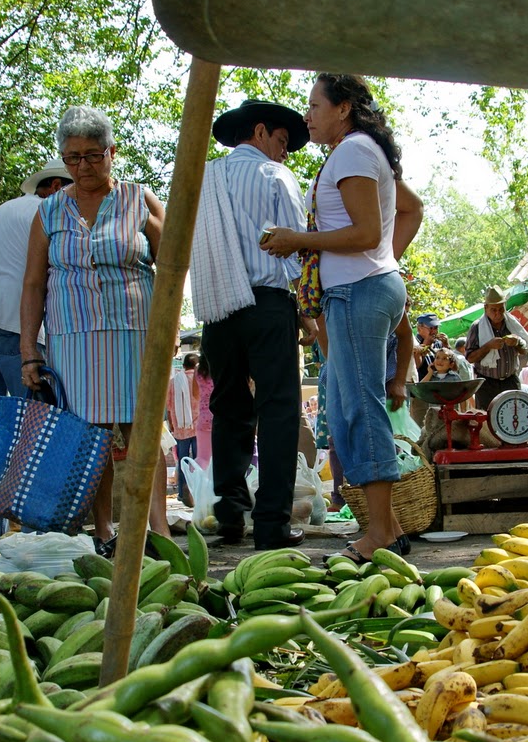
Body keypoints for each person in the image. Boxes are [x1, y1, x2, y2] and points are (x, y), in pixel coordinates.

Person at [260, 73, 423, 562]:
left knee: (360, 408)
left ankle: (377, 531)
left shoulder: (352, 151)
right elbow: (410, 211)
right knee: (349, 404)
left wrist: (298, 239)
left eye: (313, 105)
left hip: (358, 293)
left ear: (344, 107)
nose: (306, 115)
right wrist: (383, 266)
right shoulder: (364, 151)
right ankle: (387, 526)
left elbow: (367, 232)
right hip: (366, 288)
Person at [20, 106, 171, 552]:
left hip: (134, 333)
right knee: (92, 439)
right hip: (72, 339)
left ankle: (156, 530)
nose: (82, 167)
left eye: (91, 155)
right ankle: (103, 530)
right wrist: (31, 350)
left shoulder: (138, 199)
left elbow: (174, 266)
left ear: (111, 152)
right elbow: (33, 285)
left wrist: (169, 334)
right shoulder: (48, 211)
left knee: (143, 432)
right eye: (71, 158)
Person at [189, 98, 313, 549]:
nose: (285, 152)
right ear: (260, 132)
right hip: (265, 304)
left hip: (218, 309)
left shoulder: (203, 177)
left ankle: (229, 514)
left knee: (228, 409)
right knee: (278, 410)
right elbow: (296, 245)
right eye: (282, 141)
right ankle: (272, 524)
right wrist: (305, 309)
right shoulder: (275, 176)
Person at [0, 160, 70, 543]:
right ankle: (39, 532)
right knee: (33, 431)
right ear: (56, 185)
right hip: (18, 328)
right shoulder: (52, 210)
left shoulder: (3, 211)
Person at [462, 286, 528, 409]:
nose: (498, 313)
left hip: (510, 381)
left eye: (501, 309)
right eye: (493, 310)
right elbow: (470, 358)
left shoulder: (512, 324)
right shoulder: (477, 327)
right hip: (487, 384)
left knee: (514, 417)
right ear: (486, 308)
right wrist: (488, 346)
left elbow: (525, 350)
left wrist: (517, 343)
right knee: (486, 422)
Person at [166, 352, 200, 507]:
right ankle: (198, 492)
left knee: (182, 461)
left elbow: (169, 404)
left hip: (181, 428)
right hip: (200, 427)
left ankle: (182, 493)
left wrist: (172, 423)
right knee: (200, 462)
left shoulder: (174, 382)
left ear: (184, 365)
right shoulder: (201, 379)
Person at [413, 313, 443, 379]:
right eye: (431, 328)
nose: (434, 331)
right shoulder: (413, 344)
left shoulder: (438, 343)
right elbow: (414, 367)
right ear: (419, 329)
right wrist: (426, 344)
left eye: (436, 328)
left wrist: (446, 345)